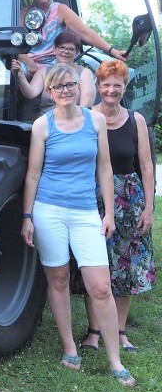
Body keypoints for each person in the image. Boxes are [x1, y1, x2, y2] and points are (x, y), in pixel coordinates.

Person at [21, 63, 135, 387]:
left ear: (78, 85)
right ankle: (70, 346)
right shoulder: (42, 126)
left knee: (100, 285)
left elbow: (104, 169)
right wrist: (27, 216)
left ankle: (115, 359)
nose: (65, 90)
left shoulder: (94, 120)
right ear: (50, 92)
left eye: (70, 84)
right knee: (57, 279)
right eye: (58, 87)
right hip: (49, 210)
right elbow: (33, 174)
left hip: (86, 211)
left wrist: (108, 213)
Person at [80, 60, 155, 352]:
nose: (111, 90)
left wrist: (148, 207)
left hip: (129, 199)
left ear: (125, 88)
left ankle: (121, 331)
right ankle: (94, 332)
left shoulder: (135, 119)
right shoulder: (86, 117)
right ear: (98, 87)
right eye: (106, 84)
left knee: (126, 266)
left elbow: (147, 167)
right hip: (92, 197)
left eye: (117, 85)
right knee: (93, 264)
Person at [19, 0, 126, 74]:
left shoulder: (60, 9)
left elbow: (85, 33)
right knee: (15, 72)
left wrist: (112, 51)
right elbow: (14, 43)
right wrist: (29, 63)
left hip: (55, 66)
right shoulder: (23, 13)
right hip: (28, 64)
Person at [12, 32, 96, 114]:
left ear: (77, 53)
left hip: (74, 121)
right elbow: (30, 93)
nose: (66, 51)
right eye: (62, 47)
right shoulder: (43, 72)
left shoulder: (84, 73)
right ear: (54, 49)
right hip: (46, 122)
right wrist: (20, 75)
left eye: (71, 49)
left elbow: (86, 106)